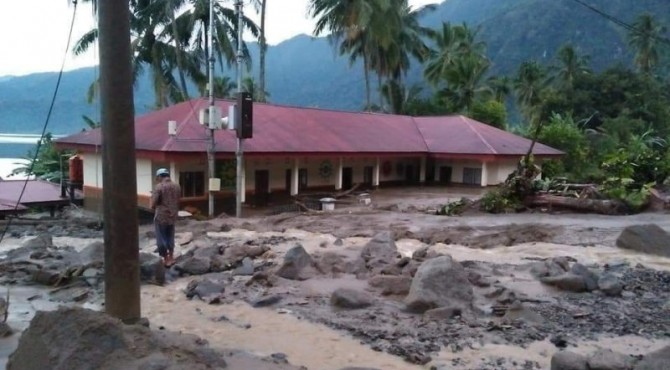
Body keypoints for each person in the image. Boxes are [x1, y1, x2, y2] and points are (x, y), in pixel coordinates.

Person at [150, 168, 181, 267]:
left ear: (160, 176)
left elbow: (153, 203)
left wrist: (152, 203)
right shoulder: (177, 186)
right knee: (170, 236)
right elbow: (178, 200)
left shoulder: (159, 187)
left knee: (161, 238)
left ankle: (166, 258)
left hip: (161, 216)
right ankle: (171, 256)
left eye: (157, 177)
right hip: (173, 216)